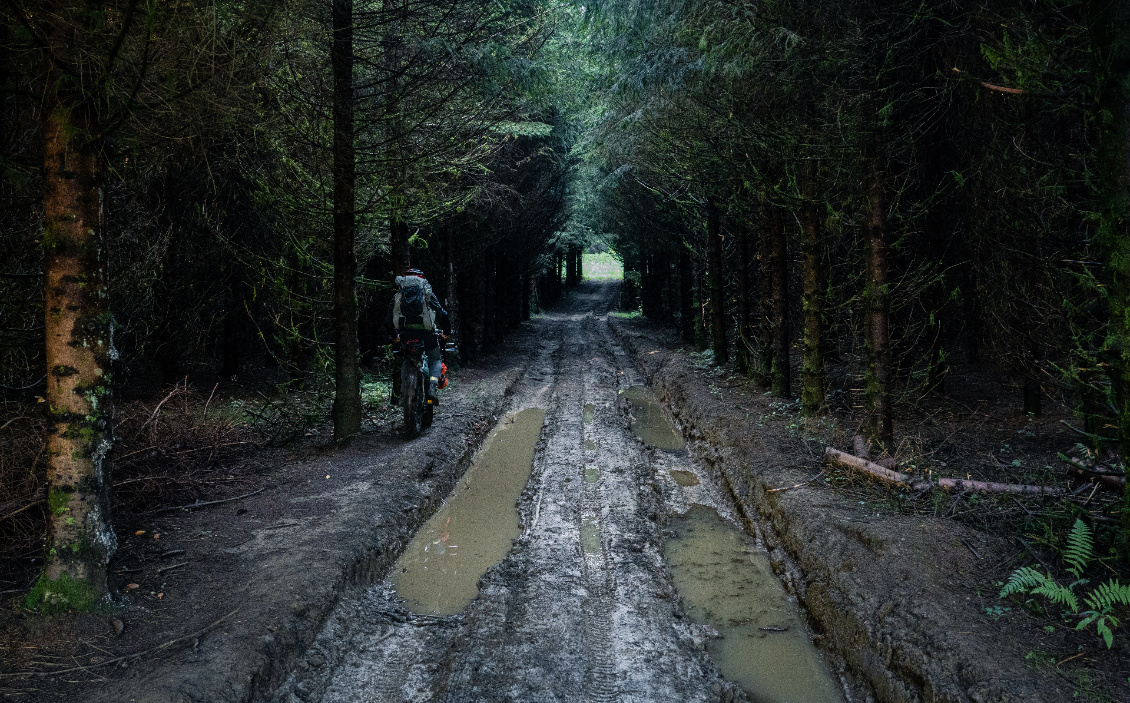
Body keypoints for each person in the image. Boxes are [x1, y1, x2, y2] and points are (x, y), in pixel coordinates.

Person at [386, 268, 450, 402]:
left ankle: (404, 393)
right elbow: (442, 313)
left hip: (405, 334)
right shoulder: (427, 294)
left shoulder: (398, 296)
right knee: (435, 358)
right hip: (427, 333)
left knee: (406, 359)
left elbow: (388, 320)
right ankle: (432, 387)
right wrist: (446, 332)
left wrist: (394, 335)